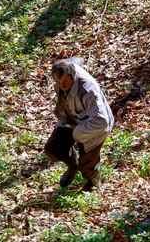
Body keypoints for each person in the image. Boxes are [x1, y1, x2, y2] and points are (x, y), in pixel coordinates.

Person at [44, 57, 114, 191]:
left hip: (95, 127)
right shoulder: (66, 70)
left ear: (73, 76)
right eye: (57, 82)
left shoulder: (87, 89)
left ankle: (93, 183)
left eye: (65, 81)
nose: (61, 85)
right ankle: (72, 165)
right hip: (72, 118)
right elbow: (76, 60)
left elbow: (102, 121)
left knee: (87, 163)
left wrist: (77, 134)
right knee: (53, 148)